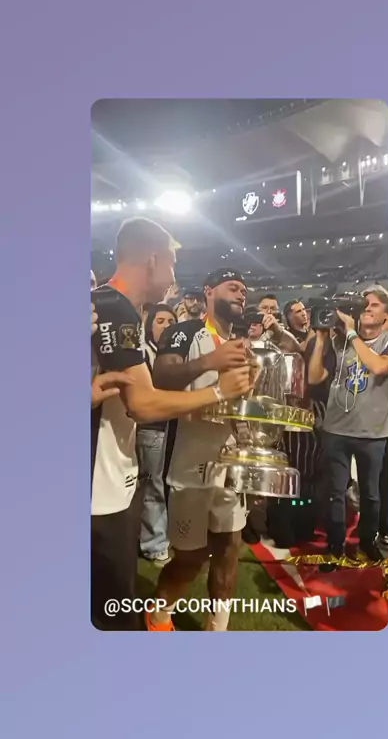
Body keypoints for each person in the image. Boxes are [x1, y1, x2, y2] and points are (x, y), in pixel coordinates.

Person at [90, 220, 252, 630]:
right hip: (102, 484)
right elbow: (144, 402)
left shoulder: (118, 308)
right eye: (173, 263)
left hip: (120, 475)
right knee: (112, 612)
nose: (174, 276)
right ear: (153, 259)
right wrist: (219, 390)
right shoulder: (113, 306)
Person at [147, 268, 254, 632]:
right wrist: (211, 361)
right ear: (209, 291)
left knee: (228, 549)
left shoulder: (240, 344)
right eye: (233, 287)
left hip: (230, 463)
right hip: (188, 464)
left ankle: (216, 632)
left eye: (244, 290)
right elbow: (161, 378)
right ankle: (159, 616)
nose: (241, 294)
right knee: (191, 558)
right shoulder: (185, 331)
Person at [313, 287, 388, 561]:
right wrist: (321, 339)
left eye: (375, 305)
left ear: (387, 315)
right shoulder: (340, 341)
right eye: (364, 304)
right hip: (336, 429)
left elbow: (378, 367)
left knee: (371, 494)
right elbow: (314, 377)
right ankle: (335, 543)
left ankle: (367, 541)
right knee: (335, 492)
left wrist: (351, 333)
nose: (367, 308)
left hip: (373, 432)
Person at [137, 303, 178, 565]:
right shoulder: (144, 353)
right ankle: (153, 544)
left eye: (171, 322)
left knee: (161, 486)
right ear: (149, 325)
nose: (166, 326)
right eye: (160, 321)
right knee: (154, 488)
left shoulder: (173, 355)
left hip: (171, 428)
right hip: (152, 430)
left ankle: (157, 536)